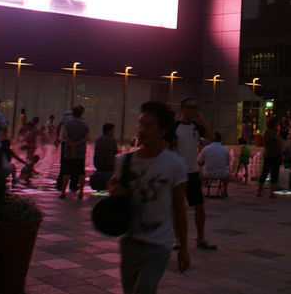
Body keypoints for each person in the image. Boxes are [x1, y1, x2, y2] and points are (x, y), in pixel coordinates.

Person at [110, 100, 189, 293]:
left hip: (159, 243)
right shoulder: (125, 161)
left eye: (149, 125)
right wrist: (114, 189)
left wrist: (184, 247)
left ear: (163, 131)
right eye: (141, 123)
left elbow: (179, 208)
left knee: (143, 289)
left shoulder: (174, 164)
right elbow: (114, 188)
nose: (142, 129)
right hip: (131, 240)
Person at [171, 97, 217, 250]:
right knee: (178, 207)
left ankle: (200, 238)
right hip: (178, 172)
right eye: (189, 107)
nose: (192, 110)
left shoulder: (196, 127)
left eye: (194, 107)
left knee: (199, 207)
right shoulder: (175, 126)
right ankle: (178, 239)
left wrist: (202, 121)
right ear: (182, 108)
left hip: (193, 172)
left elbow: (212, 137)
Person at [60, 105, 89, 200]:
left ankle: (63, 192)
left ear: (72, 114)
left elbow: (65, 135)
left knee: (66, 171)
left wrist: (72, 145)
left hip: (69, 150)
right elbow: (87, 137)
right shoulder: (85, 125)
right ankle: (81, 192)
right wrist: (77, 144)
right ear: (81, 114)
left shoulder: (68, 124)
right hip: (80, 151)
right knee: (80, 171)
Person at [256, 116, 283, 198]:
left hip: (267, 154)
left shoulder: (266, 132)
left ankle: (259, 191)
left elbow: (263, 142)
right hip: (275, 155)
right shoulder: (276, 133)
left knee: (264, 172)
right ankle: (271, 192)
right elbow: (279, 145)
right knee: (274, 173)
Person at [198, 131, 231, 196]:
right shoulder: (225, 149)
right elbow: (228, 163)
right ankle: (225, 191)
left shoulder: (206, 149)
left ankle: (200, 191)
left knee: (199, 171)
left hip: (207, 173)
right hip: (222, 174)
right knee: (227, 171)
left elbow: (199, 161)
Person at [92, 123, 119, 189]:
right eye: (113, 131)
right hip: (109, 167)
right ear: (109, 131)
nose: (114, 133)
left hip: (98, 166)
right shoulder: (112, 140)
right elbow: (116, 154)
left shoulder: (98, 140)